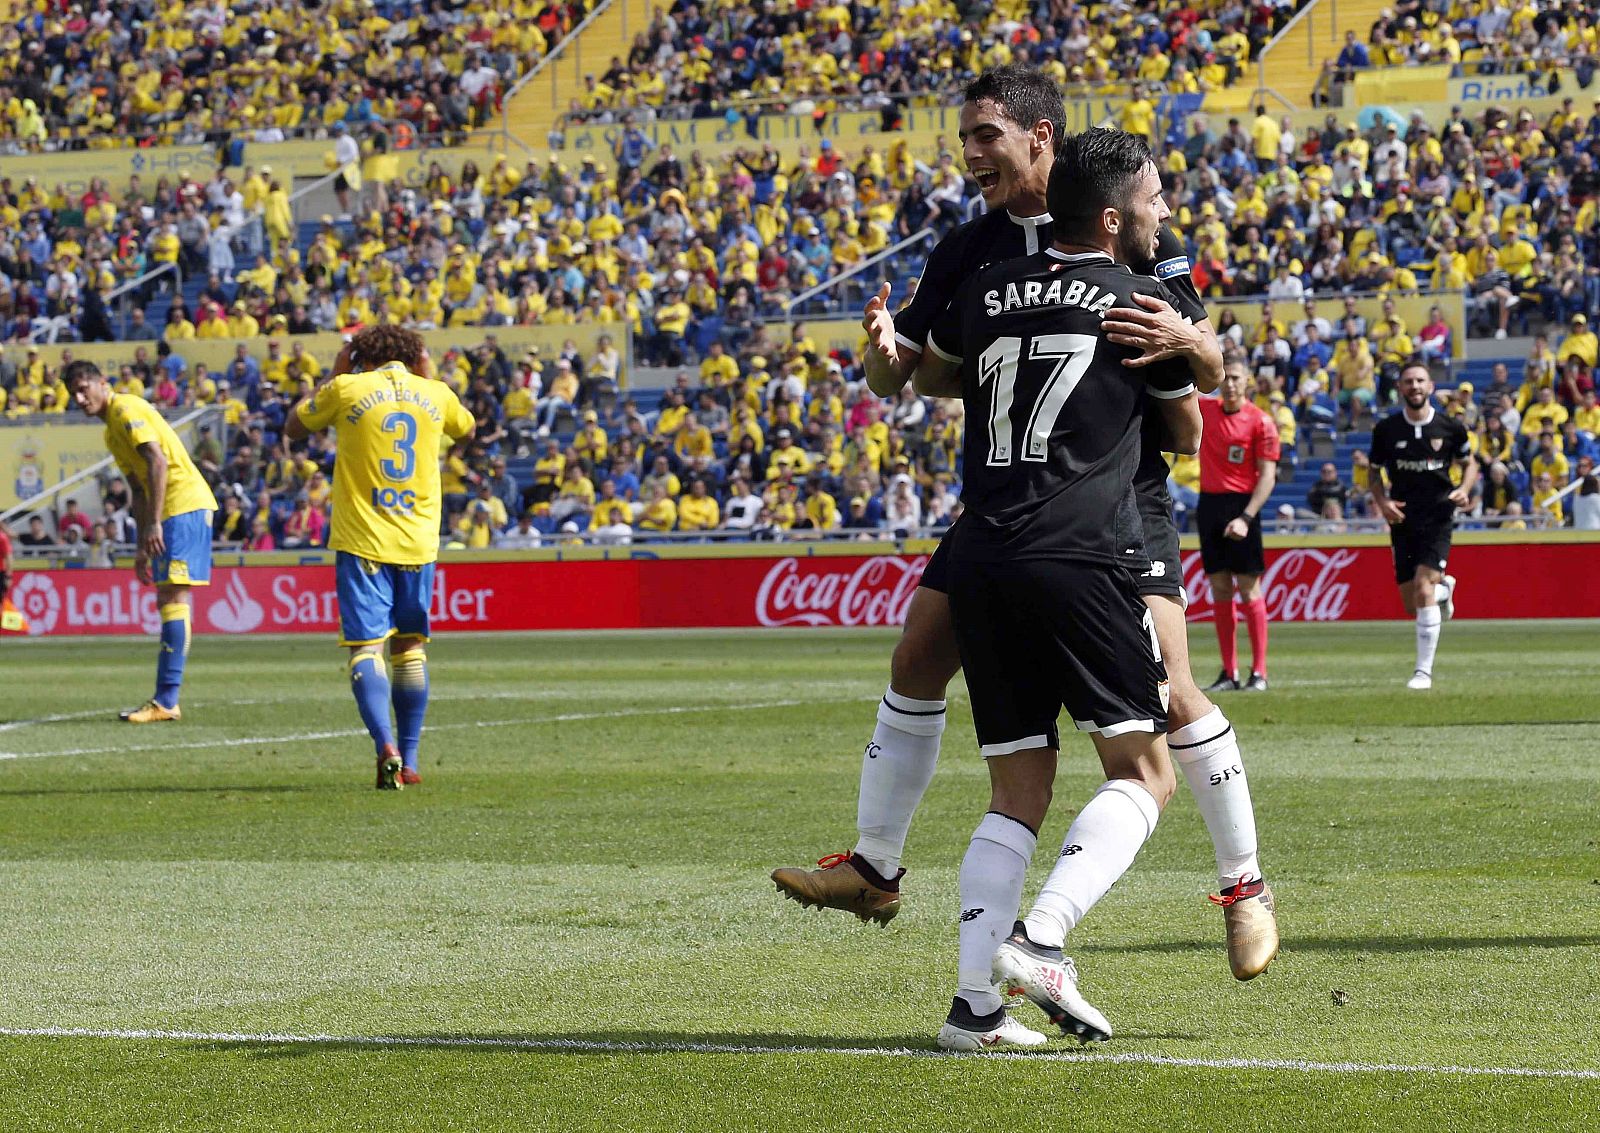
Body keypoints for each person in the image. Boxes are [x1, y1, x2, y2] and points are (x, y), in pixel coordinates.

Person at [773, 72, 1274, 990]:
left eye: (987, 136)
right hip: (1007, 499)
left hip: (1118, 499)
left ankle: (1243, 885)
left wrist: (1194, 348)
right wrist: (885, 359)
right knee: (917, 657)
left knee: (1171, 696)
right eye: (965, 137)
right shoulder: (972, 249)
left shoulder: (1129, 227)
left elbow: (1202, 360)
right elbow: (915, 375)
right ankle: (876, 866)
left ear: (1041, 139)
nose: (971, 154)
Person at [907, 128, 1202, 1049]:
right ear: (1112, 218)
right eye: (1154, 201)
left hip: (981, 559)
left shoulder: (988, 287)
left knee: (1014, 793)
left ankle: (973, 1011)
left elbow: (931, 369)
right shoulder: (1136, 302)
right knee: (1147, 772)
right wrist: (1193, 342)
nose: (1164, 214)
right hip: (1080, 554)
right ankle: (1042, 939)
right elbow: (1189, 434)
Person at [285, 325, 474, 788]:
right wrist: (428, 379)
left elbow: (294, 427)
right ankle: (409, 760)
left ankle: (383, 744)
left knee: (366, 648)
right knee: (409, 649)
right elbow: (466, 431)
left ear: (360, 357)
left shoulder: (348, 388)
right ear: (415, 357)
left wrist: (335, 371)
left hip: (362, 541)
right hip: (418, 542)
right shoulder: (437, 393)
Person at [64, 361, 218, 722]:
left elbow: (158, 463)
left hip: (183, 505)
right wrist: (140, 544)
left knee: (174, 594)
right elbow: (136, 488)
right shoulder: (110, 431)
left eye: (85, 387)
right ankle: (166, 698)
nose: (80, 397)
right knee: (168, 595)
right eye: (74, 392)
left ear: (104, 382)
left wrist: (154, 525)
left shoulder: (126, 408)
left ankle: (166, 699)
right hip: (170, 512)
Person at [1368, 364, 1476, 690]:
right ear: (1400, 388)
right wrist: (1382, 502)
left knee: (1422, 588)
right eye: (1408, 382)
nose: (1414, 386)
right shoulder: (1386, 430)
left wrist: (1465, 489)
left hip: (1439, 516)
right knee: (1410, 602)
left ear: (1430, 386)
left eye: (1419, 381)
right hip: (1402, 518)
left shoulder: (1451, 427)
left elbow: (1470, 464)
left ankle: (1423, 672)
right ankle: (1445, 589)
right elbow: (1373, 473)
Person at [1197, 362, 1279, 692]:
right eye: (1224, 378)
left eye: (1235, 378)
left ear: (1247, 382)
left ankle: (1258, 672)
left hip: (1244, 504)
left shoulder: (1261, 421)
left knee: (1248, 587)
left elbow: (1268, 477)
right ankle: (1228, 672)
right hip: (1210, 504)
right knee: (1219, 587)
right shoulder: (1205, 410)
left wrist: (1246, 517)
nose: (1229, 384)